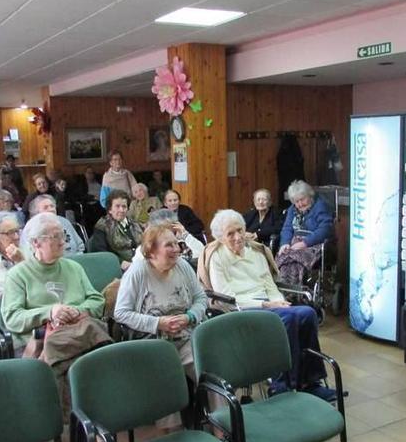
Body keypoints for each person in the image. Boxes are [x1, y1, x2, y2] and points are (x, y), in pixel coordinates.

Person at [198, 209, 336, 402]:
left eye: (240, 230)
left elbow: (269, 284)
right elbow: (225, 297)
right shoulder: (217, 257)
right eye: (230, 234)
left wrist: (279, 301)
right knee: (284, 319)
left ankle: (310, 382)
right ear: (220, 238)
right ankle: (281, 386)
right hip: (240, 310)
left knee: (306, 313)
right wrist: (267, 304)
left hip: (269, 304)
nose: (238, 237)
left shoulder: (256, 252)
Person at [114, 223, 207, 428]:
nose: (177, 249)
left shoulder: (182, 266)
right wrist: (158, 323)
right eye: (169, 245)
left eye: (177, 244)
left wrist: (190, 316)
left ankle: (223, 430)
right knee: (167, 375)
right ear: (151, 251)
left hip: (185, 336)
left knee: (210, 369)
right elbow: (120, 313)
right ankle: (172, 437)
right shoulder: (138, 271)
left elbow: (201, 297)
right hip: (151, 343)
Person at [0, 213, 111, 362]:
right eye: (55, 237)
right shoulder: (17, 275)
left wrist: (77, 310)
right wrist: (50, 312)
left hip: (79, 332)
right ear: (35, 243)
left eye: (63, 235)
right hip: (42, 340)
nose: (63, 242)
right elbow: (12, 318)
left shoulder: (74, 267)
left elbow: (97, 300)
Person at [275, 180, 333, 286]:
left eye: (302, 199)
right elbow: (287, 228)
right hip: (294, 243)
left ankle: (298, 291)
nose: (300, 204)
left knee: (297, 259)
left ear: (309, 195)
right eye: (296, 201)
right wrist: (285, 243)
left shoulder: (320, 206)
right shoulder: (292, 210)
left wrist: (305, 243)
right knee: (283, 257)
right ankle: (285, 290)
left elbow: (325, 229)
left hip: (314, 243)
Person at [89, 189, 143, 271]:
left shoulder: (135, 224)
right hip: (117, 268)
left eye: (124, 206)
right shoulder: (102, 226)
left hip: (140, 266)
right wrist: (120, 262)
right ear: (110, 209)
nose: (121, 210)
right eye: (117, 206)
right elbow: (101, 252)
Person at [132, 209, 203, 263]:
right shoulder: (145, 249)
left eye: (171, 229)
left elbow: (202, 254)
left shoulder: (181, 244)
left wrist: (185, 235)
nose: (168, 234)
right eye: (164, 230)